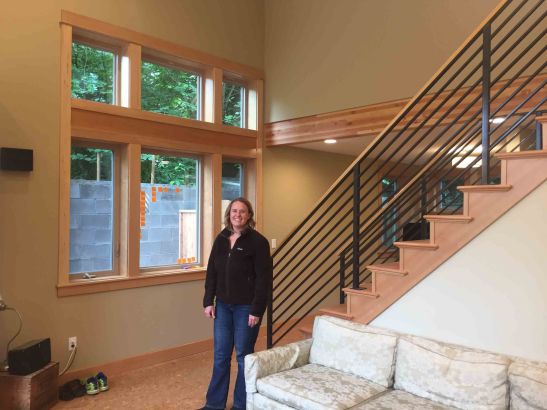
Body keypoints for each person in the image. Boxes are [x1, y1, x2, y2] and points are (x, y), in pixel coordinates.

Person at [200, 197, 272, 410]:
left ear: (249, 215)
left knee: (243, 356)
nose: (237, 215)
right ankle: (214, 404)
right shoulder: (221, 238)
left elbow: (263, 280)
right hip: (222, 306)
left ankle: (241, 405)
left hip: (246, 308)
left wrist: (257, 310)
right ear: (229, 214)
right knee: (221, 356)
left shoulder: (258, 242)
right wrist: (208, 301)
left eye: (242, 211)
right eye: (234, 211)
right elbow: (212, 272)